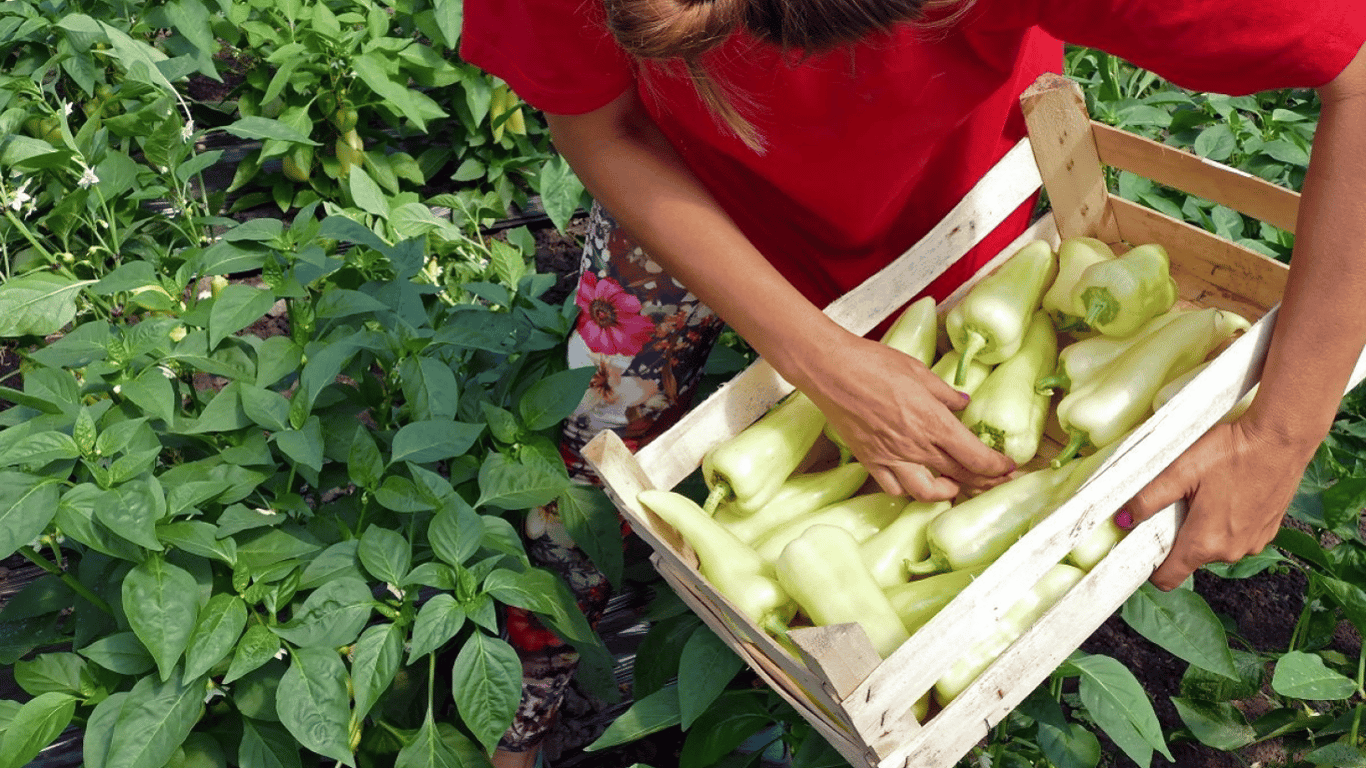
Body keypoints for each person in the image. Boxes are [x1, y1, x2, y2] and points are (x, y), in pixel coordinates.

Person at [461, 0, 1366, 764]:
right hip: (679, 202)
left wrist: (1280, 433)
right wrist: (819, 360)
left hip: (951, 217)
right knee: (587, 469)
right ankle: (524, 701)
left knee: (928, 481)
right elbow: (597, 122)